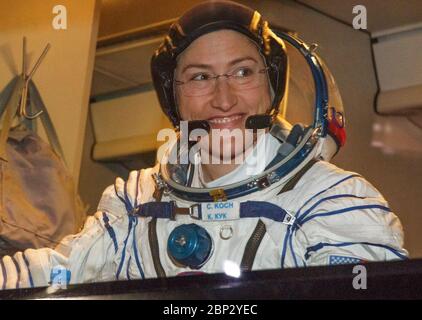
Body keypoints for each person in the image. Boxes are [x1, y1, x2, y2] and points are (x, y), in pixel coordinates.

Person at [0, 0, 407, 290]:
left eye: (243, 72)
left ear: (272, 88)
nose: (224, 99)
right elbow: (62, 270)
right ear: (172, 98)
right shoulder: (134, 201)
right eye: (199, 77)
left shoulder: (336, 200)